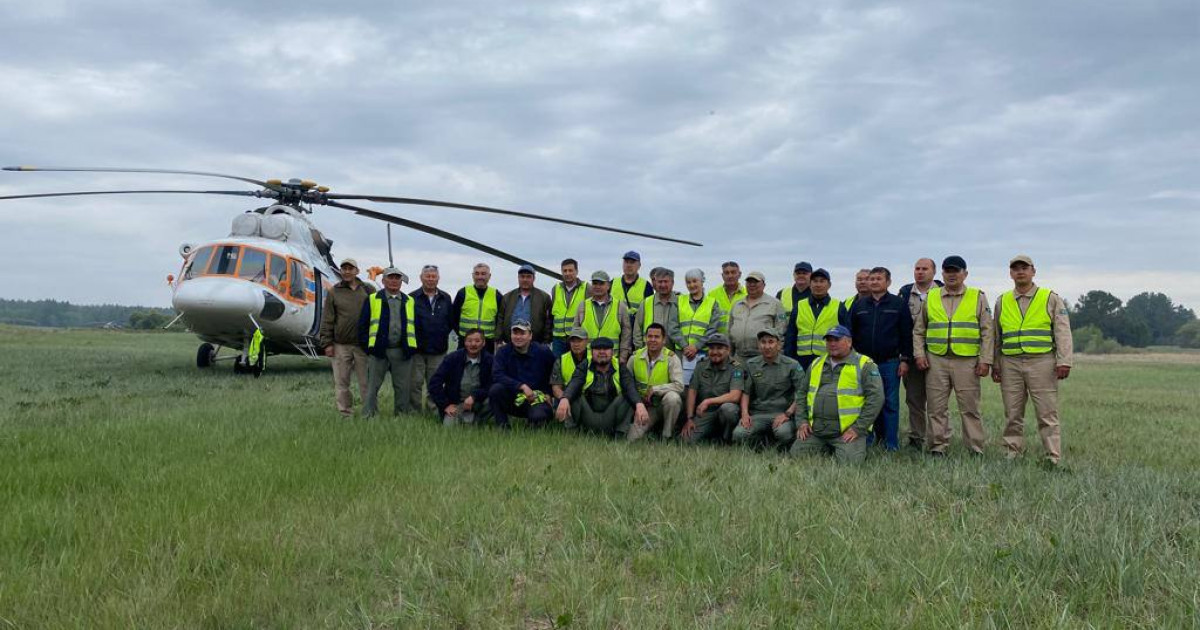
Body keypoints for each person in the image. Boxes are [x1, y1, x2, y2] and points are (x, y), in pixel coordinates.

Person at [991, 255, 1074, 465]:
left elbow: (1062, 331)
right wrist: (996, 363)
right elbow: (996, 336)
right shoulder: (1002, 301)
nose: (1020, 272)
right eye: (1015, 268)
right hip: (1010, 363)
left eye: (1024, 268)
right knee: (1012, 413)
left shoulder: (1050, 297)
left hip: (1042, 362)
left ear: (1033, 271)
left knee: (1047, 412)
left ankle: (1052, 456)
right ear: (1010, 273)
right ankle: (1012, 452)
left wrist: (1064, 360)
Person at [913, 255, 995, 456]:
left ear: (965, 274)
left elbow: (987, 331)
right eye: (947, 271)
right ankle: (937, 448)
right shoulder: (931, 297)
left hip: (966, 362)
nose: (951, 275)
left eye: (956, 271)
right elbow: (919, 330)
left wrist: (985, 360)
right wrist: (919, 354)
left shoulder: (978, 296)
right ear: (942, 274)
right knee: (936, 408)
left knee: (970, 408)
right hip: (936, 361)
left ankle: (975, 449)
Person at [790, 325, 884, 464]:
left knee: (850, 463)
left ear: (849, 342)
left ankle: (845, 447)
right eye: (828, 340)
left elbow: (876, 399)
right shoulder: (816, 363)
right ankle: (826, 446)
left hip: (847, 432)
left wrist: (857, 429)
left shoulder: (865, 365)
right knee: (796, 455)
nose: (832, 343)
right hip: (817, 430)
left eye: (837, 339)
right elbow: (802, 394)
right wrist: (802, 422)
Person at [848, 266, 912, 452]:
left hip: (890, 362)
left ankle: (891, 444)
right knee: (866, 402)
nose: (874, 282)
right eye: (872, 279)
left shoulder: (897, 304)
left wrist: (905, 359)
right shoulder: (859, 305)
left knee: (890, 404)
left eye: (878, 279)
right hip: (864, 364)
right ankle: (867, 440)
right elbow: (850, 333)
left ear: (888, 282)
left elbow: (906, 333)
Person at [359, 267, 418, 418]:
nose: (394, 281)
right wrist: (369, 348)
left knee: (402, 388)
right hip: (379, 351)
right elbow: (363, 325)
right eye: (390, 278)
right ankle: (369, 416)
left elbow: (417, 325)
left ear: (401, 281)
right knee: (372, 387)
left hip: (402, 351)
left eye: (397, 278)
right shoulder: (373, 299)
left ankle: (401, 416)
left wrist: (411, 348)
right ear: (383, 280)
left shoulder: (409, 301)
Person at [556, 337, 644, 437]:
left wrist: (639, 404)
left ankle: (619, 436)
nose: (602, 352)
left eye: (606, 349)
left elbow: (629, 386)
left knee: (628, 397)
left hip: (611, 415)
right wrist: (565, 398)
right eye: (598, 349)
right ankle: (572, 434)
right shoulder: (584, 365)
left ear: (612, 352)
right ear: (592, 352)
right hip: (588, 414)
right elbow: (575, 382)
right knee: (572, 395)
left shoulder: (620, 366)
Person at [897, 258, 943, 449]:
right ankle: (917, 438)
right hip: (911, 356)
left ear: (934, 272)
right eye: (917, 268)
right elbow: (901, 326)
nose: (920, 272)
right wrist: (905, 357)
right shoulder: (905, 292)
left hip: (937, 355)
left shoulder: (943, 291)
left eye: (925, 269)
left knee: (937, 402)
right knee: (914, 400)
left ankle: (938, 440)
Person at [319, 258, 373, 417]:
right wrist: (327, 343)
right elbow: (327, 318)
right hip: (341, 345)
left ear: (357, 271)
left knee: (366, 383)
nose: (347, 271)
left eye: (350, 269)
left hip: (363, 345)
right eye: (344, 269)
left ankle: (368, 412)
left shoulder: (368, 290)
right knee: (342, 383)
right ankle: (345, 413)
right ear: (341, 271)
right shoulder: (334, 291)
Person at [732, 328, 802, 450]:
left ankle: (776, 444)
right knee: (739, 435)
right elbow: (746, 392)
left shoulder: (792, 365)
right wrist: (744, 414)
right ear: (759, 345)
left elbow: (802, 393)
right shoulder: (751, 365)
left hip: (782, 413)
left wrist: (787, 414)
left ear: (779, 345)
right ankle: (762, 443)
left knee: (784, 434)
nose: (767, 346)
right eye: (763, 342)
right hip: (759, 413)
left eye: (771, 342)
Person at [489, 320, 556, 429]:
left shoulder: (543, 352)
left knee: (538, 416)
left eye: (522, 333)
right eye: (515, 333)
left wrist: (549, 393)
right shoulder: (503, 352)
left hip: (536, 398)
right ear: (511, 335)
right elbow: (497, 375)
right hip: (514, 398)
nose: (518, 337)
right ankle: (503, 427)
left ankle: (532, 425)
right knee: (495, 390)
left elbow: (554, 374)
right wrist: (521, 386)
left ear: (530, 335)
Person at [626, 323, 685, 441]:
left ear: (664, 340)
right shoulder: (635, 358)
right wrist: (638, 405)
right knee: (632, 439)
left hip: (661, 405)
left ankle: (666, 436)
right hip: (643, 407)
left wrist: (655, 389)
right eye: (649, 336)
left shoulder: (671, 358)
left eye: (657, 337)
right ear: (645, 338)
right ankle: (650, 431)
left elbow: (679, 386)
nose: (652, 340)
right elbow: (627, 384)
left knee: (673, 398)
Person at [681, 333, 744, 444]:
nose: (715, 352)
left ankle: (727, 439)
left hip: (724, 410)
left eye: (719, 348)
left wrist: (708, 401)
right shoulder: (701, 365)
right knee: (686, 441)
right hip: (705, 412)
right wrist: (689, 418)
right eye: (711, 348)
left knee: (728, 409)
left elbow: (735, 396)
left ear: (728, 350)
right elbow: (692, 391)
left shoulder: (736, 367)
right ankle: (712, 436)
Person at [784, 268, 850, 370]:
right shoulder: (800, 306)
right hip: (801, 361)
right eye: (815, 281)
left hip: (828, 360)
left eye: (822, 281)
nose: (818, 285)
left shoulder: (838, 306)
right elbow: (791, 335)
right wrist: (789, 359)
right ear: (810, 284)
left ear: (829, 285)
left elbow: (847, 335)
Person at [409, 264, 453, 413]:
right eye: (427, 276)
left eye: (433, 276)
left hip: (438, 350)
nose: (430, 279)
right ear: (421, 278)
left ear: (438, 279)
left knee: (435, 383)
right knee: (415, 383)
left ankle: (433, 411)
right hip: (417, 350)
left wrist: (440, 334)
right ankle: (414, 411)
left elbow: (450, 321)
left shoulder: (445, 298)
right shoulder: (412, 297)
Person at [428, 329, 493, 426]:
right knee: (449, 428)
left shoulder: (490, 360)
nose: (473, 344)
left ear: (483, 343)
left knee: (495, 396)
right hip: (456, 405)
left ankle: (479, 422)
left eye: (477, 341)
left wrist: (474, 396)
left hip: (478, 404)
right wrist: (445, 405)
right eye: (469, 341)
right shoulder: (452, 358)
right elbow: (434, 383)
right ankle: (465, 421)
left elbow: (493, 384)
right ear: (464, 342)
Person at [727, 271, 787, 360]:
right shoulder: (737, 304)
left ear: (764, 285)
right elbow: (729, 331)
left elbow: (781, 332)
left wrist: (777, 356)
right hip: (738, 357)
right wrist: (729, 356)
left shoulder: (775, 304)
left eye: (755, 282)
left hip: (763, 358)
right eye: (749, 282)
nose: (752, 285)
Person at [575, 271, 633, 364]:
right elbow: (576, 333)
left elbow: (626, 334)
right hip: (588, 359)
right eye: (595, 283)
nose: (597, 287)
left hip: (613, 359)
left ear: (608, 286)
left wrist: (622, 357)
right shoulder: (583, 306)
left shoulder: (620, 306)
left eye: (601, 283)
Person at [678, 268, 723, 384]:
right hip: (682, 353)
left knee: (703, 385)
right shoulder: (679, 301)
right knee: (683, 387)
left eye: (694, 281)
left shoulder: (713, 303)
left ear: (702, 281)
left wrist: (696, 346)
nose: (691, 285)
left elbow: (712, 329)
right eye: (688, 282)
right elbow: (673, 326)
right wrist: (685, 346)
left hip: (704, 354)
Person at [451, 262, 503, 352]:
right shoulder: (463, 292)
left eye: (483, 274)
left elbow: (501, 319)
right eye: (477, 274)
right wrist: (461, 334)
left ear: (489, 276)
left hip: (487, 342)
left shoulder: (496, 295)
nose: (480, 277)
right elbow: (453, 316)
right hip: (466, 341)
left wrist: (498, 337)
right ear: (472, 276)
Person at [634, 267, 686, 352]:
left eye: (666, 281)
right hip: (650, 354)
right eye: (660, 282)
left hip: (676, 354)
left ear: (672, 283)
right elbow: (637, 331)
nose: (663, 285)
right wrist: (641, 351)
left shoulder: (682, 301)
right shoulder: (646, 303)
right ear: (655, 283)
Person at [500, 264, 552, 344]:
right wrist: (499, 339)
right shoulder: (507, 297)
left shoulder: (544, 297)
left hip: (535, 343)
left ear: (533, 278)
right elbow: (500, 319)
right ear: (518, 278)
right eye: (522, 276)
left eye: (528, 277)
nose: (525, 279)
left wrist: (546, 341)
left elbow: (548, 322)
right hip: (510, 342)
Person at [550, 327, 591, 425]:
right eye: (573, 341)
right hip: (569, 398)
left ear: (587, 341)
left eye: (579, 340)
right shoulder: (561, 360)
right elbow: (556, 388)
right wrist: (565, 399)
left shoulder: (594, 358)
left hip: (590, 399)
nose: (576, 344)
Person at [550, 258, 590, 356]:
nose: (567, 273)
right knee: (558, 366)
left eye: (570, 270)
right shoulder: (556, 289)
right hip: (558, 338)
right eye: (565, 271)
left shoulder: (586, 288)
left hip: (577, 337)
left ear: (576, 271)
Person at [611, 251, 653, 332]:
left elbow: (648, 313)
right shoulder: (613, 283)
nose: (629, 265)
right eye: (626, 262)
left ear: (639, 265)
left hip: (634, 330)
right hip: (613, 329)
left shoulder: (646, 286)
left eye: (632, 262)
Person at [707, 261, 747, 334]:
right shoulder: (712, 295)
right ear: (722, 275)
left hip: (740, 341)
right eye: (727, 273)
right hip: (719, 341)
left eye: (733, 272)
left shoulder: (747, 294)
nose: (730, 276)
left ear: (739, 274)